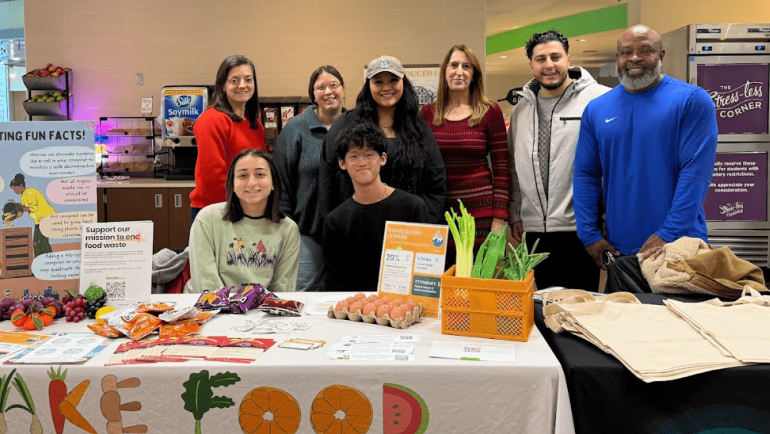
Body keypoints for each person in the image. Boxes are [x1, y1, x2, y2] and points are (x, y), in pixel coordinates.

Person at [573, 24, 718, 293]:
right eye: (626, 52)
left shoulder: (692, 101)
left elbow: (695, 174)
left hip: (679, 248)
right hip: (620, 252)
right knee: (624, 331)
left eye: (645, 51)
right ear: (617, 57)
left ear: (661, 54)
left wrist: (668, 234)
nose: (635, 58)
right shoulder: (596, 110)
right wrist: (589, 235)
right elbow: (586, 174)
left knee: (681, 332)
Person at [507, 30, 610, 290]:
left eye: (555, 57)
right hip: (533, 232)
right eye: (540, 59)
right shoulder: (521, 110)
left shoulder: (598, 99)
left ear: (568, 59)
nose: (549, 65)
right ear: (531, 65)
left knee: (578, 313)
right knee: (538, 311)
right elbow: (513, 167)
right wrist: (515, 213)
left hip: (581, 230)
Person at [318, 55, 447, 224]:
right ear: (368, 86)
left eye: (393, 80)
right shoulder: (347, 124)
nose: (386, 87)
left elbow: (436, 183)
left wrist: (423, 224)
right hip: (358, 228)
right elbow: (328, 180)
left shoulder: (419, 129)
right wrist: (337, 223)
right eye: (378, 82)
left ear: (403, 84)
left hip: (407, 231)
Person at [421, 45, 509, 253]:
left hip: (482, 216)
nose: (459, 71)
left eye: (466, 66)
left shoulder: (490, 111)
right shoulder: (427, 114)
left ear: (474, 75)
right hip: (440, 214)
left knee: (479, 281)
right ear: (445, 72)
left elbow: (502, 170)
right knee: (443, 279)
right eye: (454, 65)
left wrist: (499, 218)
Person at [323, 123, 431, 292]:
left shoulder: (414, 208)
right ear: (342, 163)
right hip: (356, 308)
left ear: (383, 159)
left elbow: (426, 269)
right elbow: (336, 282)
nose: (362, 162)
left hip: (406, 303)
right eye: (354, 156)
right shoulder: (335, 221)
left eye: (368, 154)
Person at [273, 66, 346, 292]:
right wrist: (285, 228)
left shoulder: (355, 126)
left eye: (333, 85)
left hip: (348, 233)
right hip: (306, 232)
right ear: (313, 94)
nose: (328, 91)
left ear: (343, 89)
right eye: (320, 87)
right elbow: (281, 182)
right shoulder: (296, 129)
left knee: (345, 295)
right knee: (302, 294)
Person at [188, 149, 300, 293]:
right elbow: (206, 284)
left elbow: (281, 290)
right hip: (208, 309)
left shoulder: (288, 230)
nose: (252, 182)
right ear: (232, 185)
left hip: (259, 311)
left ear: (273, 183)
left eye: (260, 174)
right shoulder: (207, 220)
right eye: (243, 175)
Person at [189, 55, 266, 225]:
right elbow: (214, 179)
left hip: (248, 209)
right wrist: (238, 213)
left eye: (248, 79)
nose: (242, 85)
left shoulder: (255, 124)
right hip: (218, 212)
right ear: (222, 85)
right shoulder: (212, 120)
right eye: (234, 80)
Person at [9, 174, 55, 257]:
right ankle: (40, 261)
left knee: (42, 241)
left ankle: (50, 261)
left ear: (21, 185)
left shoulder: (30, 192)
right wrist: (10, 216)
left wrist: (19, 208)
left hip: (47, 218)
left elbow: (31, 208)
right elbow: (21, 212)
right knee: (36, 243)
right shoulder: (23, 196)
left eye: (15, 189)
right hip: (39, 221)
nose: (14, 191)